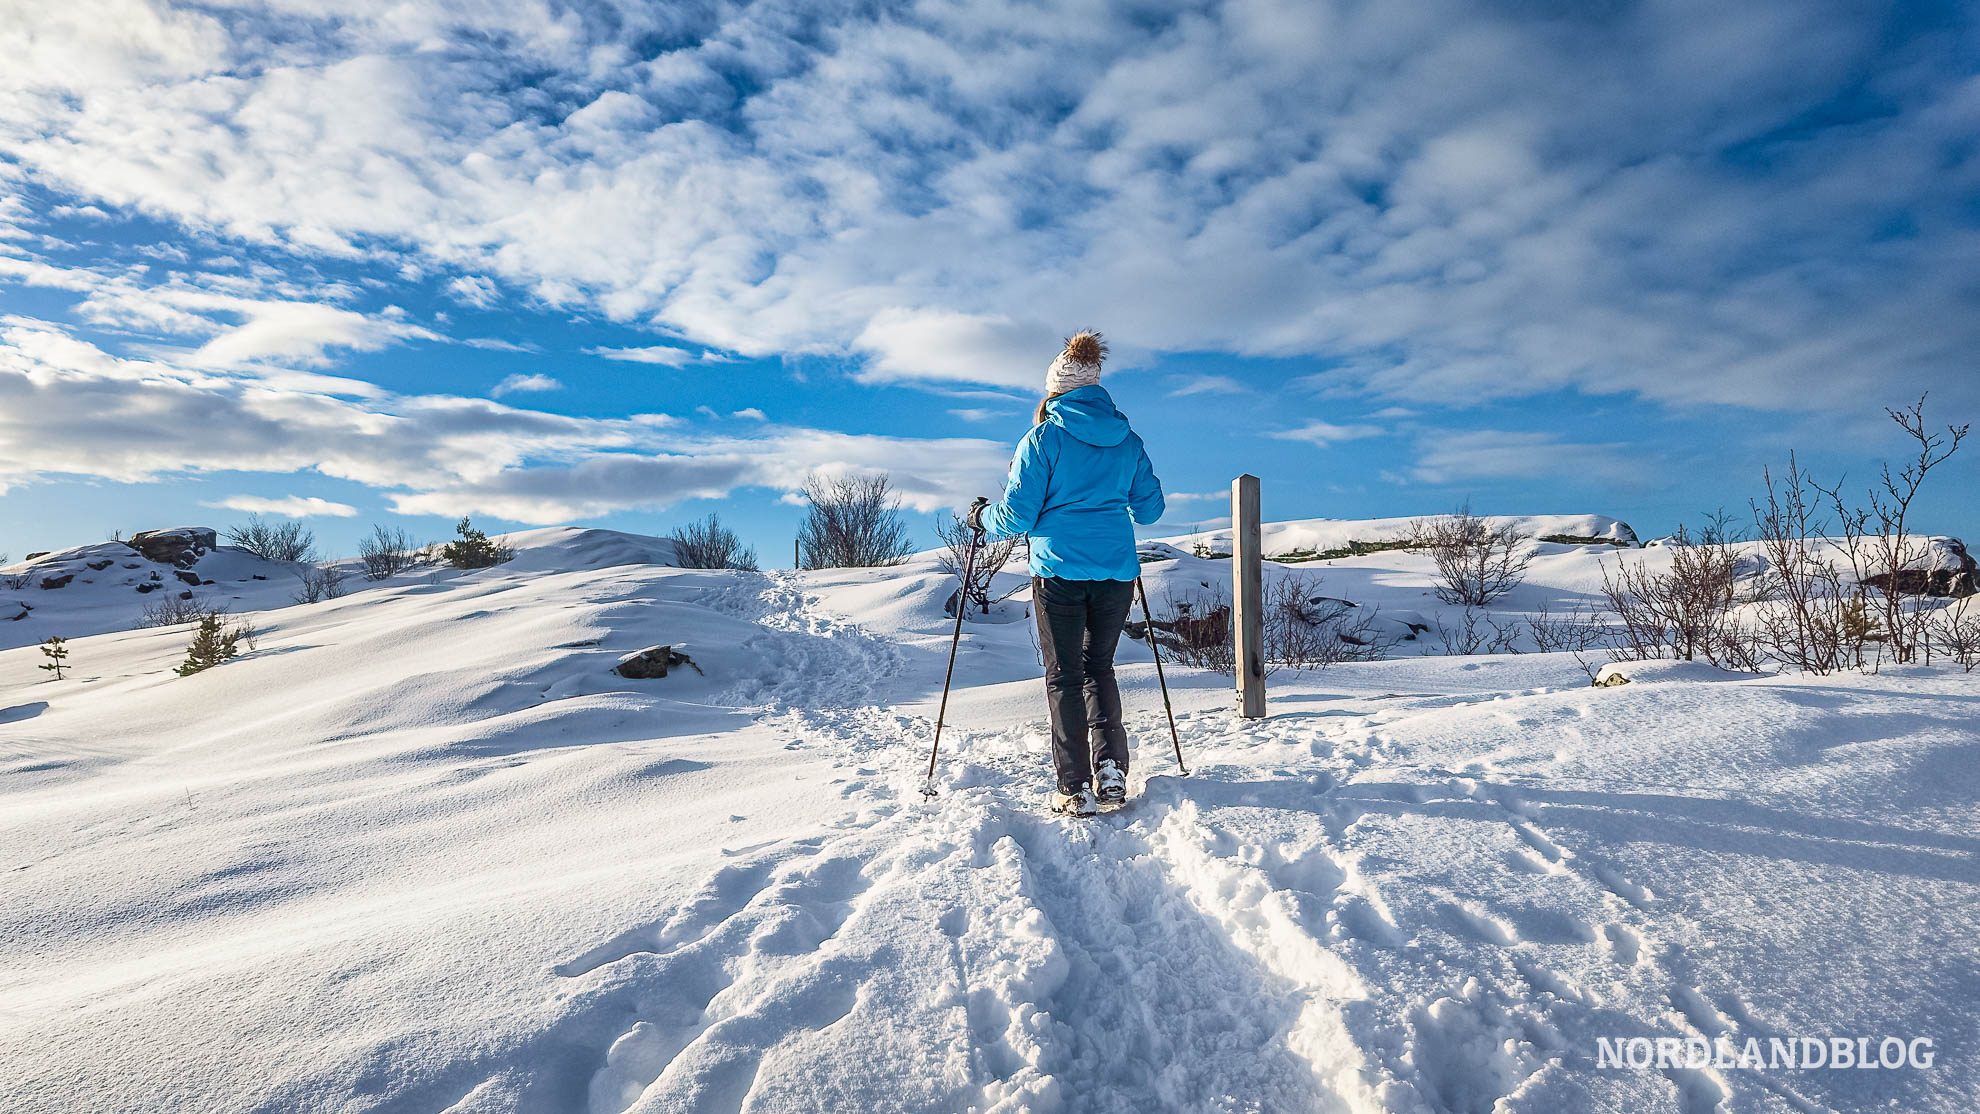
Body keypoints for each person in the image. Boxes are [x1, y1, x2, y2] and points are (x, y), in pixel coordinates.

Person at [972, 331, 1164, 817]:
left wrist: (981, 518)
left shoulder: (1043, 438)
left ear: (1054, 391)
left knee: (1064, 675)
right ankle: (1112, 772)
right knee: (1099, 668)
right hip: (1116, 570)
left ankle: (1074, 785)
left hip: (1059, 570)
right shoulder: (1128, 440)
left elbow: (1015, 516)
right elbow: (1151, 509)